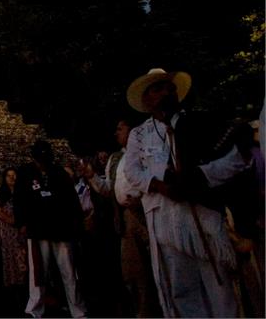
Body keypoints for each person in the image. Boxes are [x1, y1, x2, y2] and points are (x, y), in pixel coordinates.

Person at [121, 68, 251, 317]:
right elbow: (132, 172)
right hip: (163, 220)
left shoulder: (200, 122)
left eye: (169, 87)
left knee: (218, 284)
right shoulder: (139, 134)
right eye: (157, 88)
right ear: (146, 99)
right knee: (180, 291)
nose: (166, 92)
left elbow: (236, 158)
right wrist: (162, 185)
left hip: (202, 215)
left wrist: (198, 179)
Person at [83, 119, 160, 318]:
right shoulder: (116, 159)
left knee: (161, 264)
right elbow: (108, 189)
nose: (116, 133)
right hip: (126, 217)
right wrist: (92, 177)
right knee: (133, 271)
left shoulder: (146, 150)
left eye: (120, 128)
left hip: (148, 211)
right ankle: (144, 312)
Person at [14, 140, 88, 319]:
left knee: (69, 272)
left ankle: (77, 310)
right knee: (38, 273)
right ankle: (34, 310)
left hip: (61, 229)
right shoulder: (25, 173)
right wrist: (22, 223)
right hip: (38, 229)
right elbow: (20, 199)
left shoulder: (59, 173)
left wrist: (76, 225)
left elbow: (71, 201)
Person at [0, 168, 28, 308]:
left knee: (22, 260)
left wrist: (21, 223)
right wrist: (13, 221)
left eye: (14, 175)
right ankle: (13, 292)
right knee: (10, 261)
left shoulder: (23, 193)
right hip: (8, 232)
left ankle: (25, 290)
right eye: (9, 176)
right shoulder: (1, 194)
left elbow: (28, 210)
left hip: (21, 232)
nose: (12, 178)